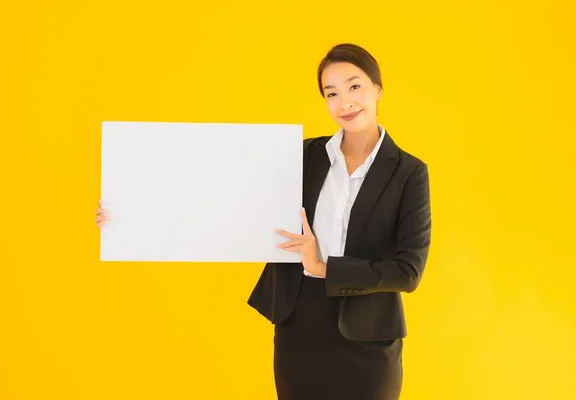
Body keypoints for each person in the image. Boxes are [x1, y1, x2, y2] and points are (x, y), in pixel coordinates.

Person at [96, 43, 431, 400]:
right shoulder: (300, 156)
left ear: (377, 88)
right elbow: (219, 198)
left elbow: (407, 271)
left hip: (369, 336)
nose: (344, 102)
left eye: (354, 87)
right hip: (299, 328)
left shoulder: (409, 172)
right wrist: (130, 214)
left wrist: (323, 267)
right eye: (331, 93)